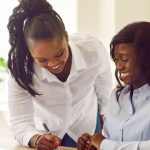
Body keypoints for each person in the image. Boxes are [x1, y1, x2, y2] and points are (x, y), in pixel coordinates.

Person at [7, 0, 112, 149]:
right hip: (47, 134)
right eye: (41, 60)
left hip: (87, 128)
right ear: (30, 52)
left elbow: (104, 91)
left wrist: (106, 131)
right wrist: (35, 139)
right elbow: (19, 121)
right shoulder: (21, 70)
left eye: (59, 53)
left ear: (66, 37)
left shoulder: (92, 51)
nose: (53, 64)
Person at [76, 21, 150, 150]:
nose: (119, 66)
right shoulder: (116, 96)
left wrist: (105, 144)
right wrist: (93, 143)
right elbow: (107, 139)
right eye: (116, 59)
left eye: (124, 59)